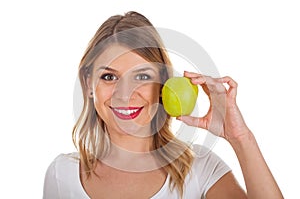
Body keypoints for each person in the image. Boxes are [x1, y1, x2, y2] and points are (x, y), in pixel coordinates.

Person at [43, 11, 283, 199]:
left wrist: (240, 138)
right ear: (88, 85)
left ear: (163, 86)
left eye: (142, 76)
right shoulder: (62, 174)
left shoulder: (200, 168)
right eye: (109, 77)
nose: (125, 95)